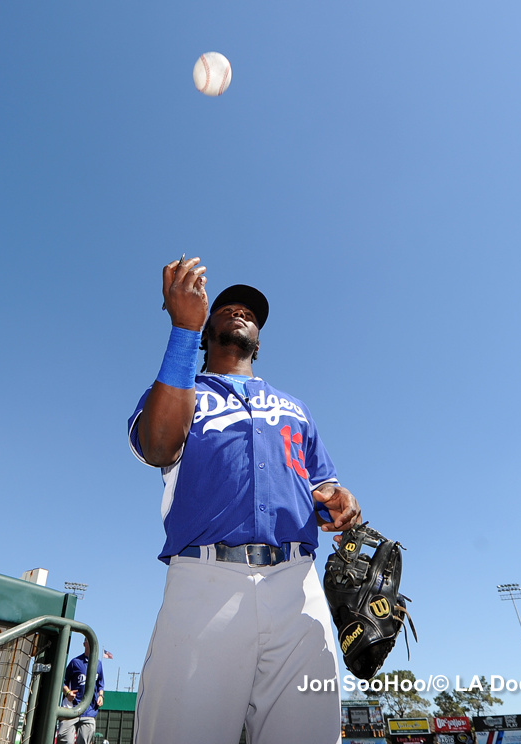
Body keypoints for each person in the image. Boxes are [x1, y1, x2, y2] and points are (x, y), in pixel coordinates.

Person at [127, 255, 362, 744]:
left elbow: (321, 485)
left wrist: (340, 500)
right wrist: (182, 331)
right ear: (208, 327)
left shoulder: (296, 408)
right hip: (205, 580)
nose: (241, 313)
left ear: (260, 338)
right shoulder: (180, 390)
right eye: (228, 308)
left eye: (251, 313)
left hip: (298, 585)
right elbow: (158, 446)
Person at [58, 635, 105, 744]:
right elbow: (62, 682)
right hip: (71, 708)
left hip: (89, 710)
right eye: (89, 642)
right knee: (64, 739)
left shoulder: (98, 664)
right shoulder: (75, 662)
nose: (92, 645)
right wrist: (68, 693)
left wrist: (101, 696)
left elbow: (101, 684)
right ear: (84, 644)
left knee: (84, 740)